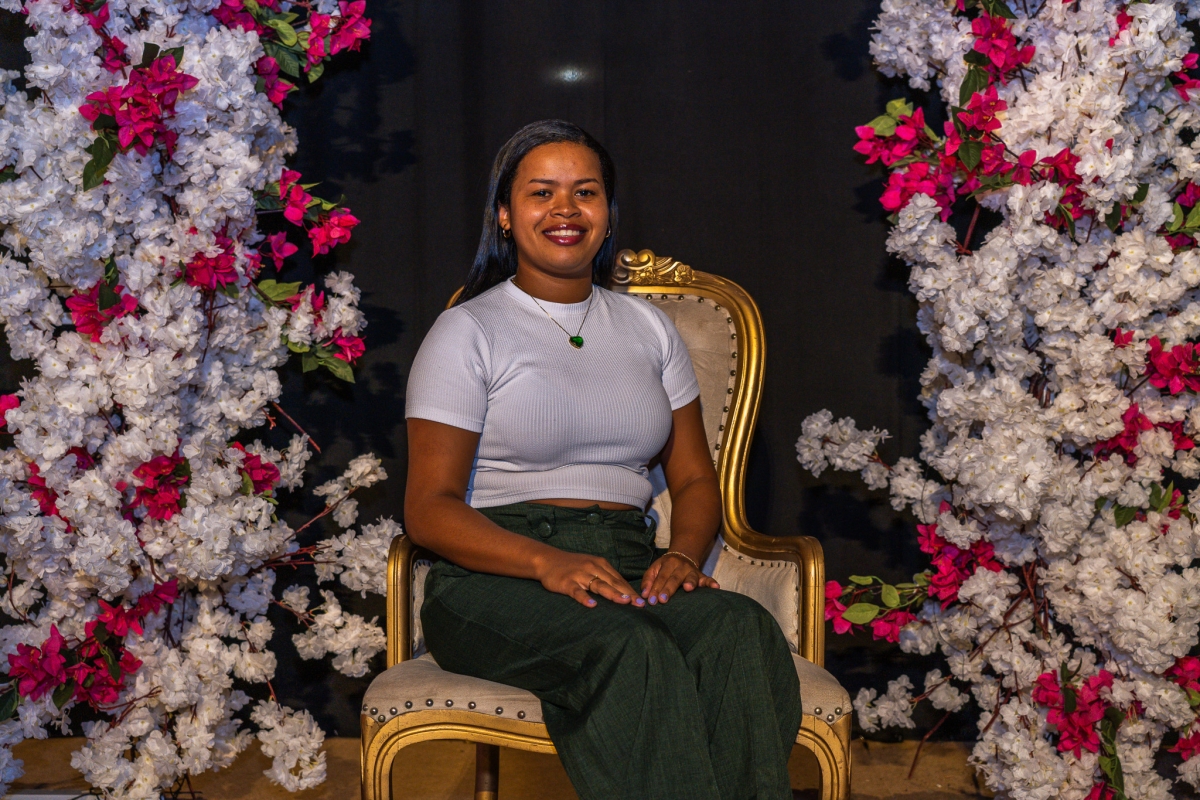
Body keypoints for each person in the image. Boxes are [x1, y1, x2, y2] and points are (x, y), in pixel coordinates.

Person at [403, 119, 801, 800]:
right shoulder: (467, 330)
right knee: (628, 646)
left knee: (739, 629)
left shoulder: (649, 329)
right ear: (505, 215)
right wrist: (546, 563)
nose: (565, 210)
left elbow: (693, 477)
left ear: (607, 213)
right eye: (541, 193)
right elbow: (428, 510)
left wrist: (684, 554)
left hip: (624, 559)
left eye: (584, 193)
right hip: (494, 571)